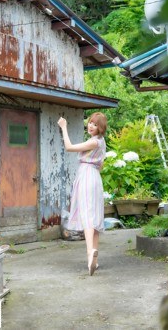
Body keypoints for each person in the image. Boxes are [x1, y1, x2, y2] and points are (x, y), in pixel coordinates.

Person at [57, 112, 107, 276]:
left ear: (100, 128)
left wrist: (64, 128)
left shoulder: (93, 142)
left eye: (95, 124)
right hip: (95, 178)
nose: (91, 125)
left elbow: (69, 147)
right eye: (90, 122)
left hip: (86, 175)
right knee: (95, 216)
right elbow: (100, 166)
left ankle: (89, 254)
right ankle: (95, 258)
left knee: (87, 216)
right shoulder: (101, 142)